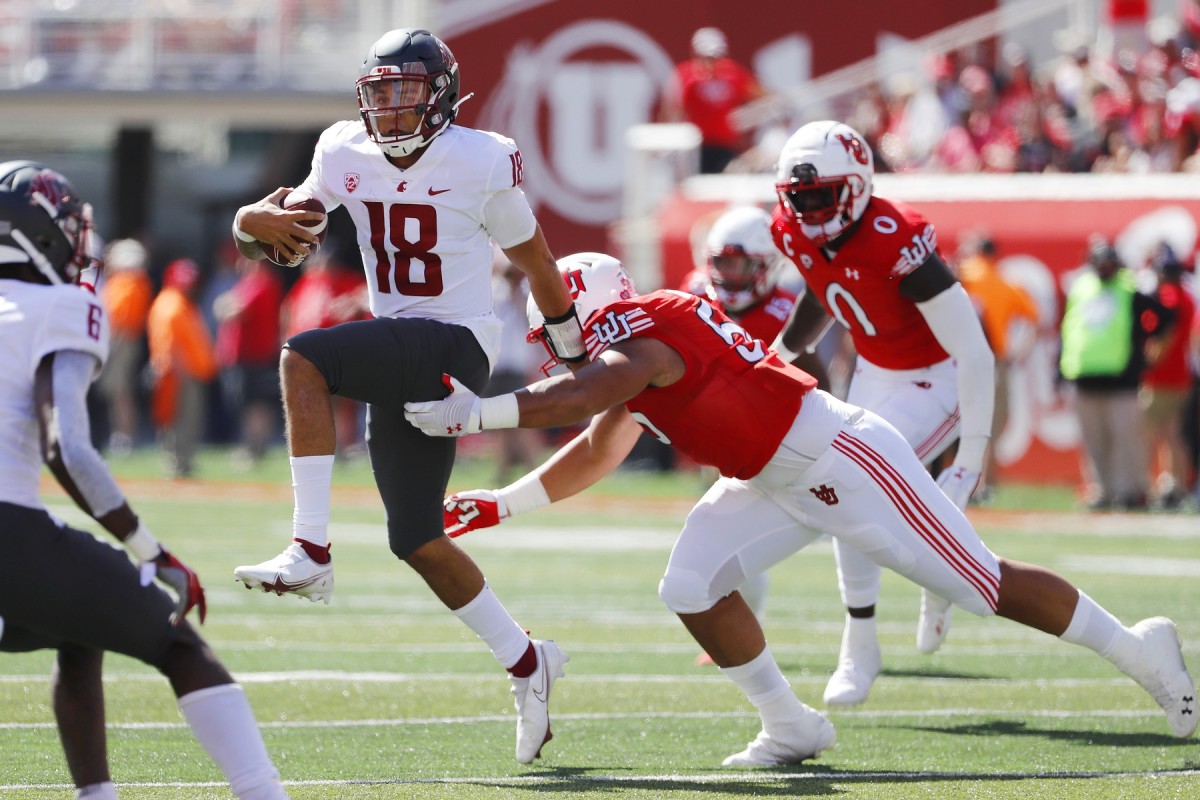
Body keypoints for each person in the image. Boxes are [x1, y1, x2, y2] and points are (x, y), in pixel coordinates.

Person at [408, 252, 1197, 767]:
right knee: (689, 584)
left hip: (841, 457)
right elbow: (599, 440)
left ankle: (1140, 651)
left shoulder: (648, 335)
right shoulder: (631, 357)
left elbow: (581, 395)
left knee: (981, 585)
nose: (552, 335)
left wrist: (476, 416)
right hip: (772, 476)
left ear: (591, 306)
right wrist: (506, 505)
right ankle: (791, 724)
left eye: (559, 319)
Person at [227, 28, 587, 764]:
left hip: (458, 343)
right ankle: (528, 662)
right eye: (380, 92)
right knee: (416, 539)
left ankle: (310, 547)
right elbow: (278, 234)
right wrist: (245, 224)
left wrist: (573, 350)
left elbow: (537, 259)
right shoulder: (340, 151)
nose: (390, 108)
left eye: (406, 91)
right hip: (402, 345)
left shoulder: (483, 159)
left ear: (442, 94)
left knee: (304, 358)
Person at [0, 161, 290, 799]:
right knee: (181, 645)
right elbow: (67, 446)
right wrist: (150, 551)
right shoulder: (59, 304)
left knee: (82, 625)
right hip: (8, 533)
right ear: (37, 234)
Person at [767, 120, 996, 708]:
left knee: (850, 479)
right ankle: (863, 638)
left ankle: (925, 591)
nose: (811, 211)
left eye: (823, 196)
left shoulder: (896, 237)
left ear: (860, 185)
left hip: (937, 375)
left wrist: (970, 461)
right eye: (801, 199)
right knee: (838, 484)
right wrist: (777, 359)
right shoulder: (793, 231)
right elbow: (825, 290)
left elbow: (972, 350)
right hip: (872, 370)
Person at [679, 205, 802, 663]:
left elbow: (817, 380)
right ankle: (745, 631)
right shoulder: (693, 294)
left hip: (779, 441)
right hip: (724, 440)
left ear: (766, 266)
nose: (727, 275)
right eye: (722, 262)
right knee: (730, 536)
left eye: (739, 264)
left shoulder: (786, 311)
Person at [1060, 238, 1174, 510]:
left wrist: (1151, 354)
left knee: (1126, 441)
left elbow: (1165, 319)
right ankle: (1102, 491)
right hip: (1085, 377)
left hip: (1122, 380)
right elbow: (1071, 330)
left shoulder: (1130, 288)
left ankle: (1129, 492)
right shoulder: (1082, 288)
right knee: (1094, 442)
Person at [954, 234, 1040, 499]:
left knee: (955, 421)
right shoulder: (1005, 281)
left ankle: (955, 481)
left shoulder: (964, 272)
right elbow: (1033, 319)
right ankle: (985, 483)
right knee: (989, 423)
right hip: (993, 359)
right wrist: (1019, 353)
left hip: (955, 356)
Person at [279, 247, 369, 457]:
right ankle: (323, 449)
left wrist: (353, 302)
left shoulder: (348, 280)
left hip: (340, 352)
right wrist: (284, 339)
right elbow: (289, 308)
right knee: (310, 402)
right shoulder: (308, 282)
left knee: (340, 402)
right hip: (306, 355)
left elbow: (367, 297)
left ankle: (344, 446)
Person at [145, 257, 218, 479]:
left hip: (187, 374)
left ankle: (183, 463)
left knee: (187, 420)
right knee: (178, 420)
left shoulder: (181, 302)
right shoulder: (171, 303)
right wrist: (183, 373)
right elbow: (170, 346)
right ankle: (176, 464)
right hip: (179, 375)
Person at [661, 27, 765, 174]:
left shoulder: (732, 73)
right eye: (707, 57)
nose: (711, 63)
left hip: (725, 145)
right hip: (696, 147)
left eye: (715, 57)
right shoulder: (685, 76)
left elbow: (760, 94)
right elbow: (671, 111)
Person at [213, 254, 285, 467]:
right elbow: (222, 307)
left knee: (256, 405)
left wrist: (226, 305)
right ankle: (252, 447)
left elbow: (235, 311)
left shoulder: (263, 282)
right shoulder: (246, 284)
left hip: (255, 357)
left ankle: (255, 448)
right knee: (246, 405)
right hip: (241, 359)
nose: (240, 263)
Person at [1139, 243, 1196, 510]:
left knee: (1148, 434)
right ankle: (1177, 486)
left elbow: (1167, 332)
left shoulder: (1170, 296)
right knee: (1173, 435)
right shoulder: (1185, 295)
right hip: (1180, 376)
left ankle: (1150, 487)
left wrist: (1149, 360)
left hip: (1162, 378)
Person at [96, 238, 153, 457]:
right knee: (116, 392)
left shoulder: (132, 281)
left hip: (123, 341)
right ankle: (120, 435)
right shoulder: (123, 281)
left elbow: (123, 318)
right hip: (118, 340)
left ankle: (125, 436)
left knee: (121, 392)